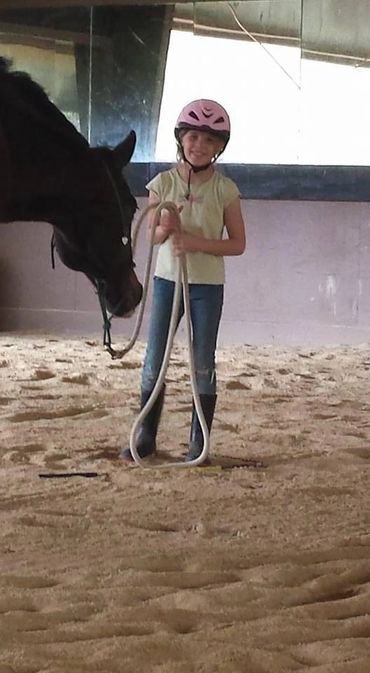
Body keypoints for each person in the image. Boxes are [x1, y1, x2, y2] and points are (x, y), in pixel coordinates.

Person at [121, 98, 246, 463]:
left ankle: (199, 440)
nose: (199, 145)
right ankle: (145, 435)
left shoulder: (226, 190)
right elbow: (152, 237)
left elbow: (238, 243)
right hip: (165, 281)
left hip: (207, 287)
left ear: (219, 147)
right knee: (155, 356)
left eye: (208, 140)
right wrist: (165, 226)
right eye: (193, 136)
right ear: (181, 139)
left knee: (202, 359)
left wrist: (194, 242)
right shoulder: (162, 183)